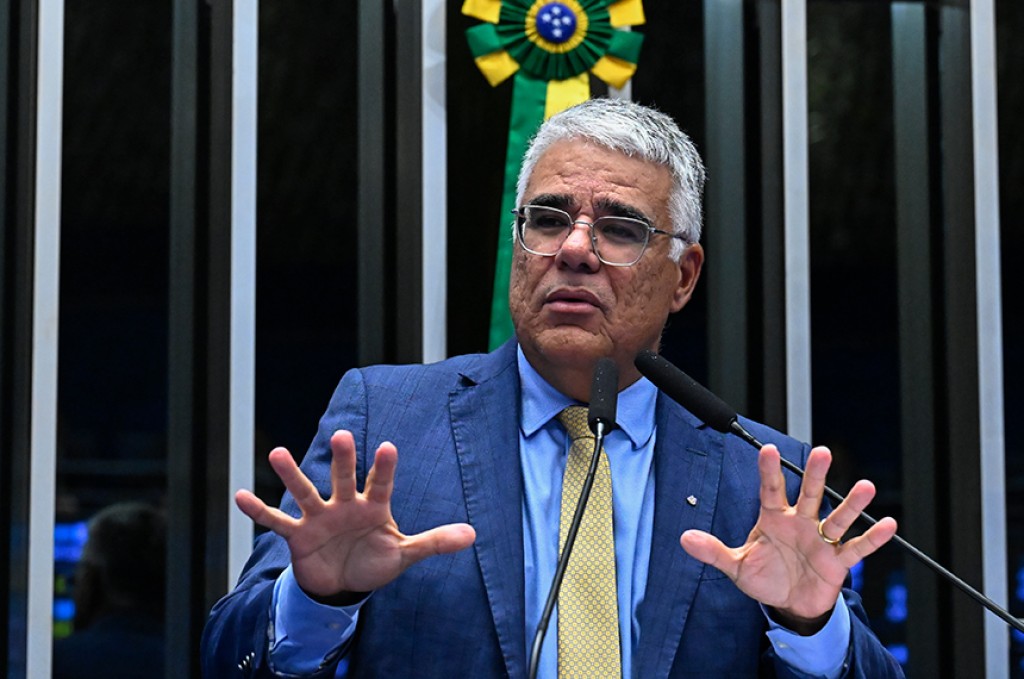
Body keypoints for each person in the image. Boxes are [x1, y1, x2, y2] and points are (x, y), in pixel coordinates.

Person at [201, 98, 904, 678]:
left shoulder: (763, 476)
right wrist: (318, 599)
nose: (572, 249)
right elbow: (228, 657)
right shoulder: (388, 422)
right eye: (547, 218)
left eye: (620, 229)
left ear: (683, 276)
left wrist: (808, 626)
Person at [53, 502, 166, 679]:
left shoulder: (57, 663)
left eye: (78, 575)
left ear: (95, 579)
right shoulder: (196, 660)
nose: (74, 587)